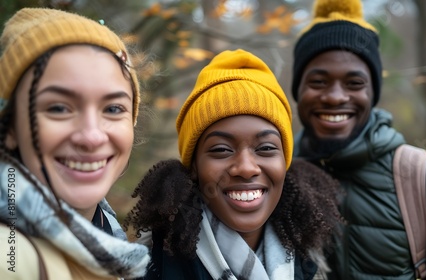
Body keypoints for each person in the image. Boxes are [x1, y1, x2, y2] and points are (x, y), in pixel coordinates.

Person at [291, 0, 426, 279]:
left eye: (354, 83)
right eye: (318, 82)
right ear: (297, 90)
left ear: (372, 93)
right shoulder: (277, 179)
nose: (335, 97)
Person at [124, 49, 344, 280]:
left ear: (284, 162)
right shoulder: (151, 267)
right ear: (194, 167)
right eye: (221, 149)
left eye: (266, 148)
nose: (247, 168)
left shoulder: (311, 264)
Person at [0, 8, 150, 279]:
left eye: (113, 109)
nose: (92, 136)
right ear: (10, 127)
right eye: (58, 108)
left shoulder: (104, 232)